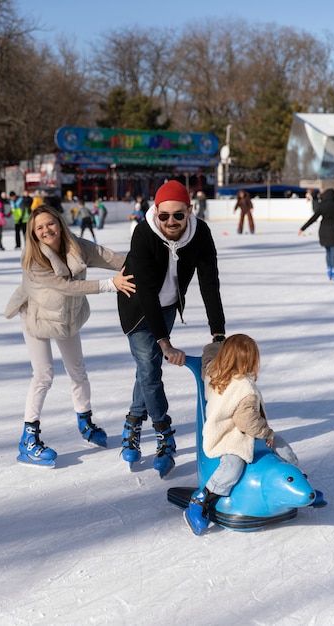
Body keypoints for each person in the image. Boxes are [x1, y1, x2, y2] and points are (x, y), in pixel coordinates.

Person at [4, 205, 135, 468]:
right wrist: (110, 285)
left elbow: (107, 257)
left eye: (50, 224)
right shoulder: (33, 260)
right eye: (39, 228)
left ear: (59, 223)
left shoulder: (76, 246)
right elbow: (66, 286)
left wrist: (141, 261)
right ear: (33, 233)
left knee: (77, 370)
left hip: (66, 317)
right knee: (43, 375)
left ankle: (85, 421)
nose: (46, 231)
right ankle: (28, 440)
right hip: (36, 316)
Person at [117, 180, 226, 478]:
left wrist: (218, 334)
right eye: (164, 216)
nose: (171, 221)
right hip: (138, 307)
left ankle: (133, 420)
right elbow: (147, 292)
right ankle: (165, 434)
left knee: (147, 368)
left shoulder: (200, 233)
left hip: (167, 306)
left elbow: (209, 283)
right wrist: (164, 343)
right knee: (150, 367)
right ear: (156, 211)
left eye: (179, 215)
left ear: (190, 211)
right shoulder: (143, 234)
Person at [184, 334, 300, 536]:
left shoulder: (213, 369)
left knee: (282, 448)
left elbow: (211, 355)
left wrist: (213, 346)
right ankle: (201, 500)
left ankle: (297, 483)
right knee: (234, 463)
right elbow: (246, 421)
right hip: (229, 435)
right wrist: (267, 433)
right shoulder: (245, 387)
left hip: (236, 429)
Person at [298, 187, 334, 281]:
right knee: (333, 252)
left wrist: (302, 228)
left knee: (328, 251)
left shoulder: (322, 206)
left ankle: (329, 270)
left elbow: (313, 218)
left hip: (323, 232)